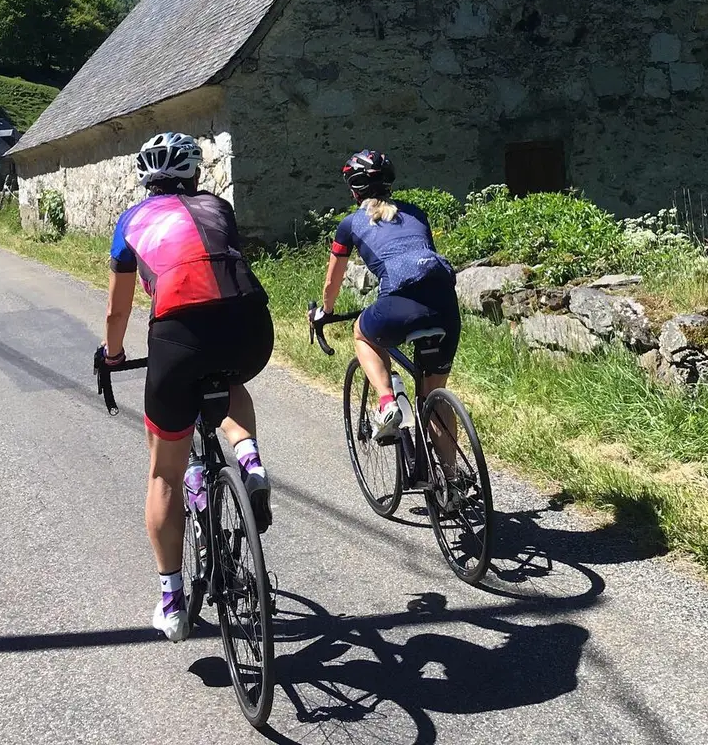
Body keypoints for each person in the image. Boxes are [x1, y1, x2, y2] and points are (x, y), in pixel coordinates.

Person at [100, 131, 274, 643]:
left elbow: (117, 307)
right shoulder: (218, 206)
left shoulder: (131, 221)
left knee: (165, 475)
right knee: (228, 377)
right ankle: (248, 459)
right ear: (195, 175)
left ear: (145, 180)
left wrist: (112, 356)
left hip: (179, 333)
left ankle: (173, 600)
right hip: (248, 323)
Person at [311, 150, 461, 450]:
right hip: (444, 301)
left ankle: (387, 403)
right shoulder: (416, 212)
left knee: (363, 333)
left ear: (353, 188)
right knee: (434, 396)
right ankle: (453, 484)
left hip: (400, 302)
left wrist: (325, 312)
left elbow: (332, 281)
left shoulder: (350, 224)